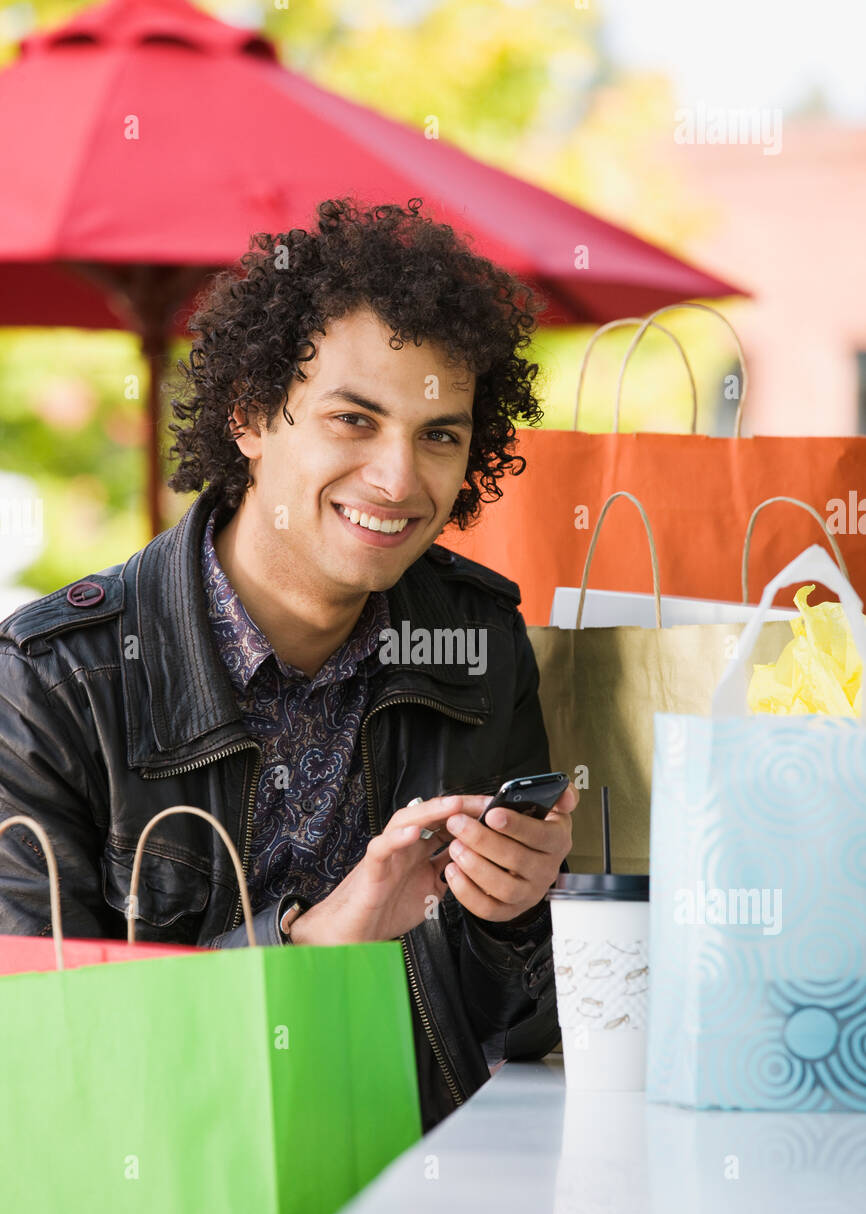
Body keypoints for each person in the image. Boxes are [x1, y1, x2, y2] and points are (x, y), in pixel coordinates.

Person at [0, 197, 576, 1131]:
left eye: (440, 434)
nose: (399, 480)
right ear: (251, 418)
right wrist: (309, 944)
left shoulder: (477, 643)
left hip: (419, 1200)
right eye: (354, 420)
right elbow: (36, 1056)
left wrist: (515, 917)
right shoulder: (50, 683)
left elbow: (522, 1032)